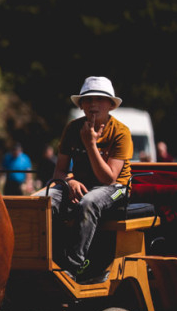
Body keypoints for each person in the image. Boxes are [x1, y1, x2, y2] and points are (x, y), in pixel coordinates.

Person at [48, 76, 133, 282]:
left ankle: (73, 267)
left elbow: (108, 177)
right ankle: (47, 261)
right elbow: (58, 172)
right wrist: (70, 182)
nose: (93, 104)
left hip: (118, 187)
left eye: (100, 99)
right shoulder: (72, 128)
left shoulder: (121, 132)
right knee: (45, 200)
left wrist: (90, 144)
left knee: (88, 202)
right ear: (82, 105)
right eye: (88, 99)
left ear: (111, 105)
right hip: (82, 184)